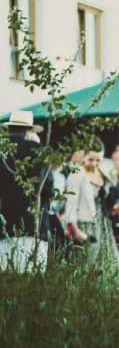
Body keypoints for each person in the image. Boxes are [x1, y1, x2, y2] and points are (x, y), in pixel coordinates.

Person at [0, 110, 52, 270]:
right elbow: (48, 190)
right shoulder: (40, 151)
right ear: (29, 130)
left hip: (5, 222)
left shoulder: (2, 152)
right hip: (34, 223)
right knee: (34, 280)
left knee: (7, 279)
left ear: (9, 130)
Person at [65, 140, 119, 274]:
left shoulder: (103, 171)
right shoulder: (76, 174)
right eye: (90, 159)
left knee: (114, 265)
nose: (94, 163)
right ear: (84, 155)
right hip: (87, 225)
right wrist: (75, 230)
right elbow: (70, 205)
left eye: (98, 160)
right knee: (87, 266)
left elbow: (106, 198)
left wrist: (113, 209)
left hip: (104, 223)